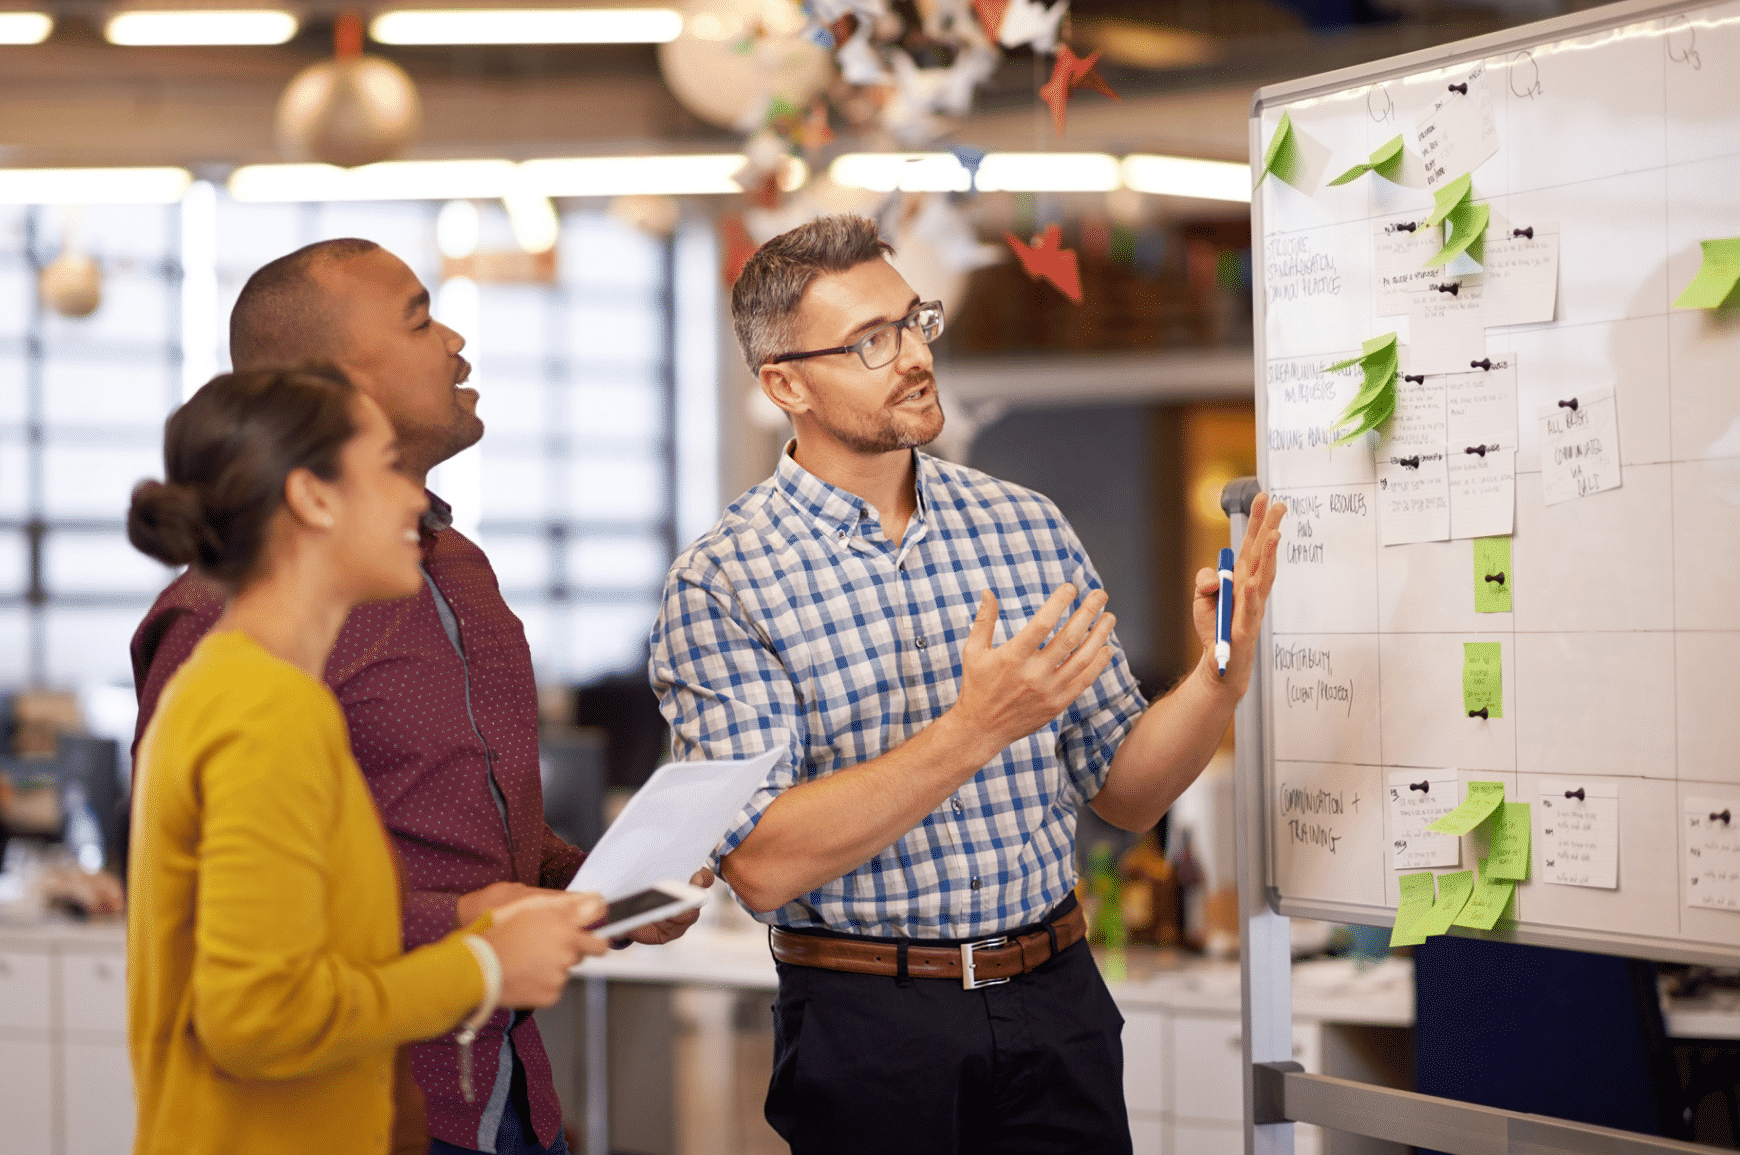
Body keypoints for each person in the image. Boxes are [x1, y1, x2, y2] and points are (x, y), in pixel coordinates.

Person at [649, 214, 1287, 1154]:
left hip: (1057, 997)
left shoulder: (1024, 524)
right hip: (871, 1025)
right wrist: (974, 729)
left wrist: (1220, 676)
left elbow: (1128, 788)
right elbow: (763, 859)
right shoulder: (724, 581)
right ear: (785, 383)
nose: (913, 355)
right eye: (872, 341)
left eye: (914, 321)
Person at [130, 239, 708, 1155]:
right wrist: (479, 947)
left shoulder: (424, 594)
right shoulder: (245, 685)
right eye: (383, 475)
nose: (415, 505)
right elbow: (250, 1001)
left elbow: (400, 870)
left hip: (493, 1087)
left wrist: (581, 892)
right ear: (317, 485)